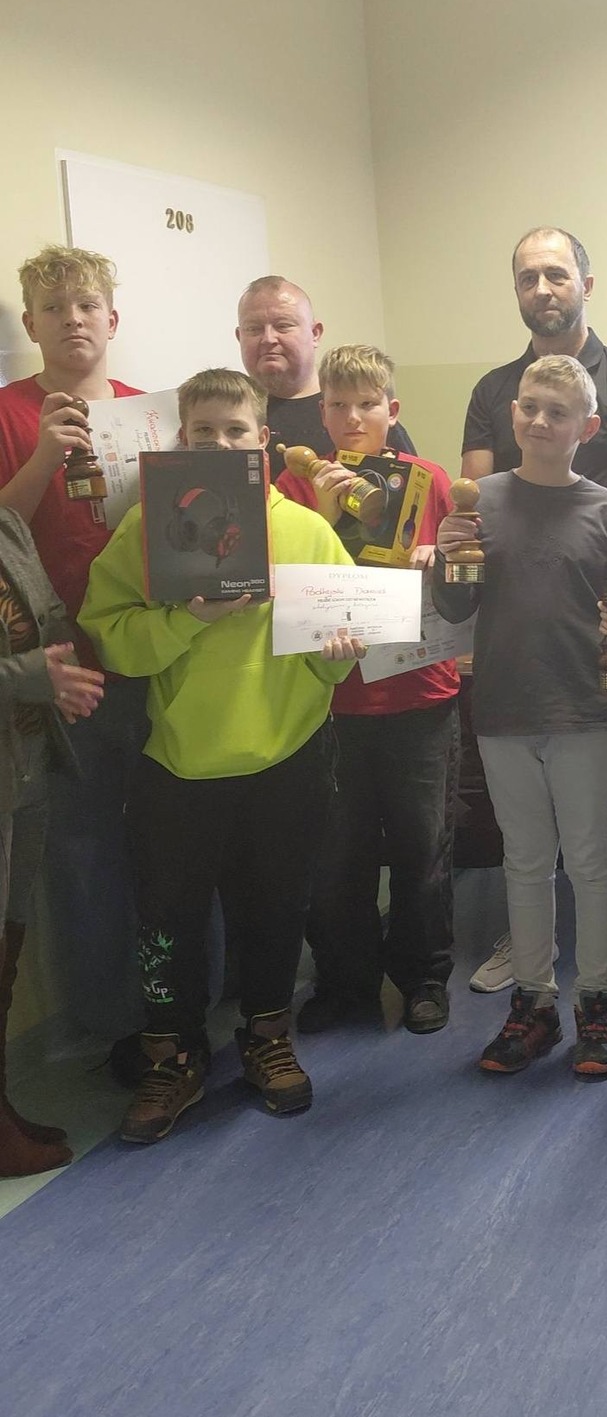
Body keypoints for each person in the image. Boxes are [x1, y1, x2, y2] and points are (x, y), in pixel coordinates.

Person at [79, 369, 362, 1146]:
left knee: (276, 907)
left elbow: (337, 651)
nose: (220, 443)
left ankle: (268, 1035)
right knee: (166, 918)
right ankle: (172, 1056)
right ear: (181, 442)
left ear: (263, 441)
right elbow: (113, 639)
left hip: (287, 759)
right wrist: (188, 620)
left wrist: (338, 654)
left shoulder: (307, 532)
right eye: (203, 432)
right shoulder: (147, 530)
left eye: (236, 431)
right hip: (179, 765)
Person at [461, 227, 607, 1004]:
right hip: (510, 687)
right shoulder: (493, 392)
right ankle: (532, 969)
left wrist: (571, 546)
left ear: (585, 281)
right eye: (528, 277)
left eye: (556, 274)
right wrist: (483, 553)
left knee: (606, 838)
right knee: (527, 852)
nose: (543, 288)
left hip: (589, 675)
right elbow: (469, 528)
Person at [433, 353, 607, 1080]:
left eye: (558, 412)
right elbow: (455, 607)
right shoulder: (477, 501)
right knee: (524, 861)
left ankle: (596, 1001)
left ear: (588, 427)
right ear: (513, 413)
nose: (540, 421)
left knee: (590, 860)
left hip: (585, 711)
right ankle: (534, 1002)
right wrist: (449, 557)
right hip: (503, 710)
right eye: (529, 407)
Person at [275, 346, 460, 1036]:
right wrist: (325, 517)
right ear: (320, 414)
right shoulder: (295, 487)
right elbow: (287, 584)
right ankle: (344, 982)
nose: (352, 417)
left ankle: (424, 977)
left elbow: (464, 584)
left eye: (367, 404)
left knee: (423, 849)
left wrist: (441, 561)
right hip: (331, 703)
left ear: (392, 409)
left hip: (420, 695)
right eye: (338, 405)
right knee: (336, 855)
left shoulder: (429, 481)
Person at [0, 245, 149, 1061]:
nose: (73, 320)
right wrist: (44, 458)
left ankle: (190, 998)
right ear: (31, 324)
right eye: (54, 308)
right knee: (83, 854)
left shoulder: (148, 411)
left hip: (157, 658)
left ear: (112, 319)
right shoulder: (8, 413)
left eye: (87, 305)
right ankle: (111, 1025)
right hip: (63, 673)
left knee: (170, 839)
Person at [0, 509, 106, 1177]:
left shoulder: (8, 524)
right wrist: (34, 677)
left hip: (29, 764)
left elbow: (48, 618)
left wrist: (64, 676)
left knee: (7, 946)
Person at [236, 276, 418, 462]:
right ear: (239, 336)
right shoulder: (227, 416)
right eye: (253, 329)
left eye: (283, 326)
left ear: (315, 334)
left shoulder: (371, 420)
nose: (268, 339)